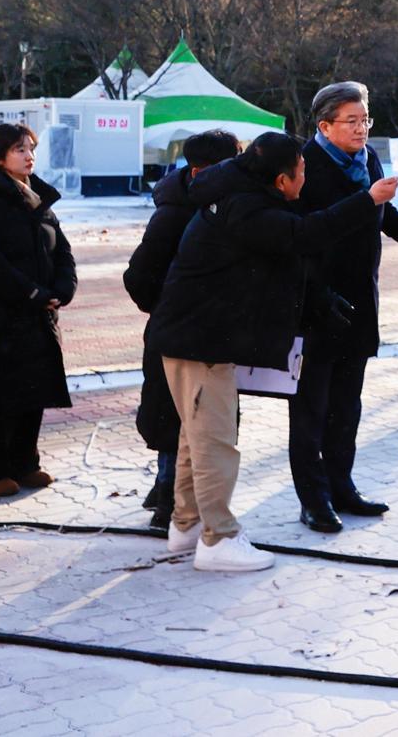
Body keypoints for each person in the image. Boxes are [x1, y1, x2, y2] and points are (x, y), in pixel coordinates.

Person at [146, 132, 383, 571]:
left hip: (193, 336)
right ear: (281, 179)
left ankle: (187, 525)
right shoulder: (247, 208)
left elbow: (289, 252)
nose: (306, 177)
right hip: (197, 340)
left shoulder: (238, 196)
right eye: (302, 170)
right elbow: (306, 233)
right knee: (215, 441)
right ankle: (218, 540)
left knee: (193, 437)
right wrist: (367, 200)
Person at [291, 82, 398, 533]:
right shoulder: (304, 166)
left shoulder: (367, 159)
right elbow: (300, 239)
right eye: (352, 121)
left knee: (347, 404)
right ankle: (312, 498)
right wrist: (317, 294)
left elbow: (381, 210)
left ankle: (342, 486)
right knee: (311, 407)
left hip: (360, 298)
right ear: (324, 126)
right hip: (317, 302)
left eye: (365, 119)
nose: (362, 129)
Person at [123, 130, 240, 529]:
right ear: (199, 171)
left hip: (206, 331)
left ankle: (173, 496)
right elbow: (138, 275)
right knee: (176, 417)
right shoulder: (175, 213)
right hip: (176, 331)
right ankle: (169, 500)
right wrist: (165, 308)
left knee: (197, 420)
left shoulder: (225, 206)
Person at [0, 123, 77, 498]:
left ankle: (24, 463)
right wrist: (32, 293)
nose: (29, 155)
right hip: (3, 311)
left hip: (40, 312)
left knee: (34, 388)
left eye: (31, 148)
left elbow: (60, 248)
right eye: (19, 149)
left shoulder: (37, 195)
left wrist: (63, 288)